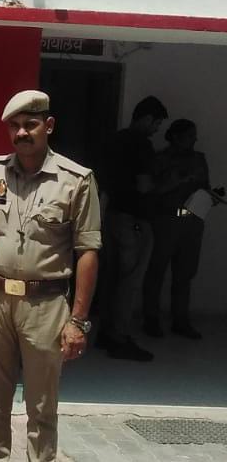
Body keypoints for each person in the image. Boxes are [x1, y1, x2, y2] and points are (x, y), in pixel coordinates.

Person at [0, 90, 101, 462]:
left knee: (42, 406)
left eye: (30, 124)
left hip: (45, 304)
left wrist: (78, 320)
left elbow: (88, 251)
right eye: (14, 126)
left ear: (49, 126)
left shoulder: (76, 179)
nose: (21, 133)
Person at [97, 95, 167, 362]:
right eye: (157, 123)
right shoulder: (141, 144)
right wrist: (167, 183)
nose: (157, 129)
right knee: (130, 281)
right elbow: (144, 185)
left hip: (112, 215)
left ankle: (105, 333)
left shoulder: (113, 140)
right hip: (134, 220)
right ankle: (120, 338)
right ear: (147, 118)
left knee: (111, 278)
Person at [142, 119, 209, 340]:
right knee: (156, 271)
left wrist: (209, 197)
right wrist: (178, 180)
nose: (194, 140)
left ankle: (181, 320)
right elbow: (151, 190)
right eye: (190, 136)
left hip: (192, 220)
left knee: (185, 273)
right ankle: (151, 318)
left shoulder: (199, 159)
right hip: (166, 220)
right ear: (176, 137)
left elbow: (205, 187)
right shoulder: (160, 159)